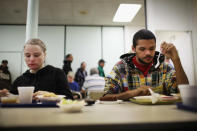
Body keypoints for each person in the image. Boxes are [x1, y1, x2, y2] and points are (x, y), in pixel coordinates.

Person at [101, 29, 189, 101]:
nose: (148, 53)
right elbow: (105, 97)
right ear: (133, 49)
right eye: (142, 49)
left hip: (161, 117)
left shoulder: (165, 67)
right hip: (130, 118)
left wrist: (176, 59)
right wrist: (132, 93)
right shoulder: (120, 68)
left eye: (152, 48)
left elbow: (184, 93)